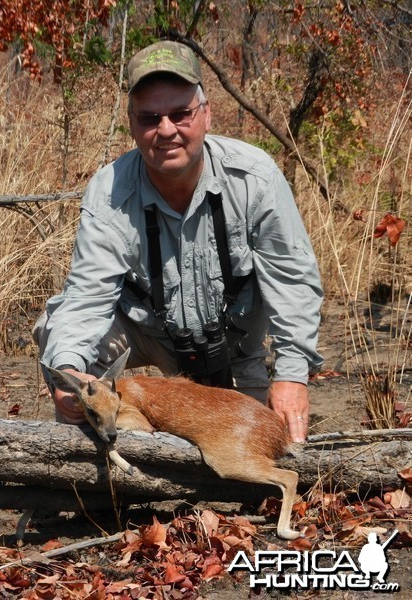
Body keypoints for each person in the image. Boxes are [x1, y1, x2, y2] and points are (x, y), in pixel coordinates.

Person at [35, 40, 323, 443]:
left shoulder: (255, 178)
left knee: (262, 450)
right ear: (132, 124)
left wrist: (292, 374)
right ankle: (94, 483)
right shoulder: (108, 192)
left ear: (206, 114)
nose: (166, 130)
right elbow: (86, 297)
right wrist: (69, 374)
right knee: (56, 330)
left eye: (180, 114)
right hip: (151, 337)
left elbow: (293, 281)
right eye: (150, 118)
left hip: (239, 346)